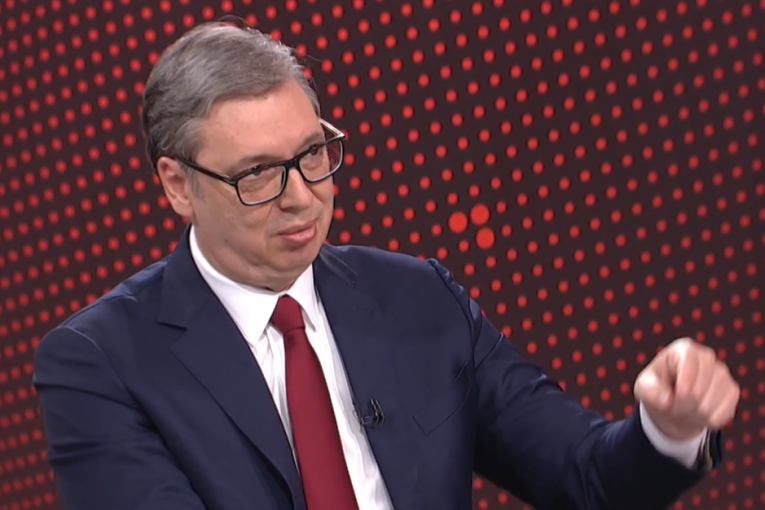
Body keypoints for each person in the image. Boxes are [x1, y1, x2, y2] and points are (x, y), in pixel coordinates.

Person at [33, 18, 740, 510]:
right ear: (178, 186)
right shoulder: (100, 362)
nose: (302, 197)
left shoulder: (419, 297)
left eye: (312, 154)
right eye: (258, 174)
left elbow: (584, 476)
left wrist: (668, 428)